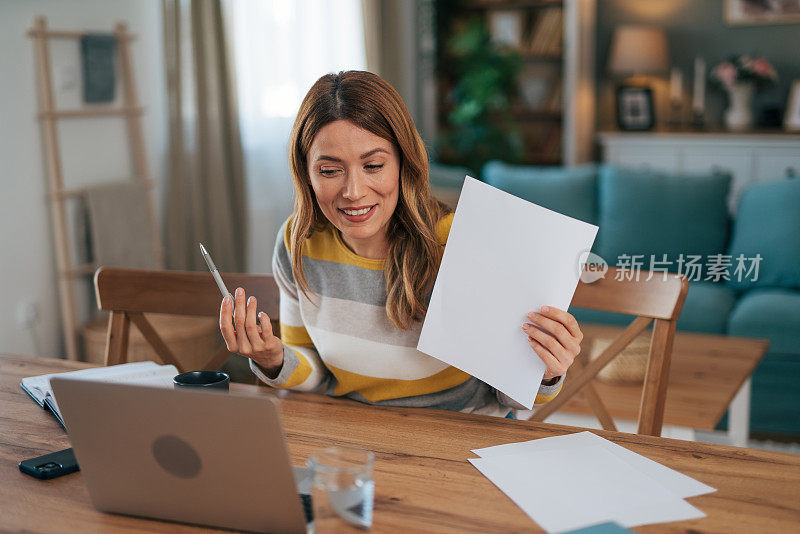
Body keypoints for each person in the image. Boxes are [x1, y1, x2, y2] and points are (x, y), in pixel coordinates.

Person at [220, 70, 582, 417]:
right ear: (306, 173)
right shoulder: (299, 243)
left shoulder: (457, 243)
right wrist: (274, 358)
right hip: (359, 436)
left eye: (374, 165)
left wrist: (546, 371)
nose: (354, 192)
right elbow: (316, 374)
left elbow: (510, 396)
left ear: (402, 162)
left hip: (463, 436)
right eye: (330, 170)